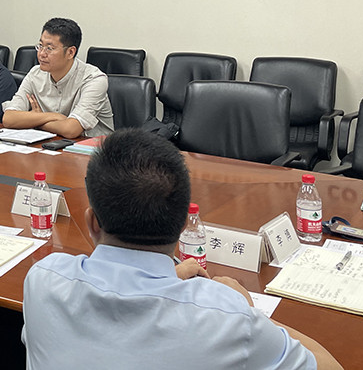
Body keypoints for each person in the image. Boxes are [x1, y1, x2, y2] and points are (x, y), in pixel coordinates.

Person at [22, 129, 343, 370]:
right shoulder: (227, 320)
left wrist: (162, 281)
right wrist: (249, 312)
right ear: (181, 229)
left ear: (92, 222)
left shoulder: (43, 281)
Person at [1, 18, 112, 138]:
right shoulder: (35, 74)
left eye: (49, 48)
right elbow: (9, 118)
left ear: (70, 52)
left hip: (91, 146)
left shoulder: (94, 79)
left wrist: (35, 120)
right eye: (40, 46)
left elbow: (71, 130)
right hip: (49, 144)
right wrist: (54, 116)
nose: (41, 54)